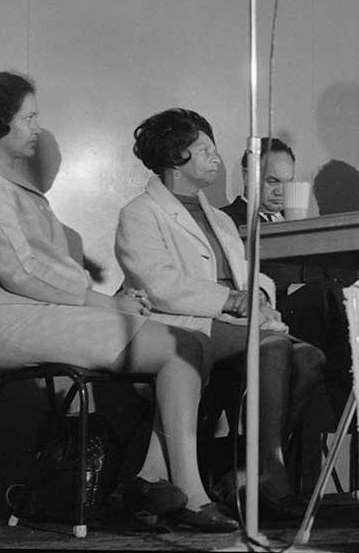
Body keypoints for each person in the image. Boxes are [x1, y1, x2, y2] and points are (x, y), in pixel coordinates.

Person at [0, 73, 230, 531]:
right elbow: (18, 272)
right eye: (29, 117)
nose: (37, 127)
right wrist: (104, 304)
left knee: (191, 342)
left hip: (42, 309)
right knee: (181, 346)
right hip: (1, 318)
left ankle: (150, 477)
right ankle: (187, 493)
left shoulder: (9, 184)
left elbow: (47, 268)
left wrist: (111, 298)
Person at [115, 109, 324, 521]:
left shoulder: (220, 219)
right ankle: (272, 476)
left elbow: (252, 275)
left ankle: (251, 470)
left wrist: (256, 295)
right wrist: (230, 301)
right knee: (275, 346)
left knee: (311, 357)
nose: (216, 159)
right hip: (184, 323)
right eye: (204, 150)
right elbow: (159, 285)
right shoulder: (140, 213)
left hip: (233, 322)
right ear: (176, 157)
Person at [221, 137, 353, 415]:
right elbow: (231, 280)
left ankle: (353, 403)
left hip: (313, 321)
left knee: (346, 295)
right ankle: (354, 405)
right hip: (269, 316)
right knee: (327, 296)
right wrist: (289, 288)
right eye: (272, 181)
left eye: (287, 182)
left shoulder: (300, 223)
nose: (281, 192)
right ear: (248, 175)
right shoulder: (225, 221)